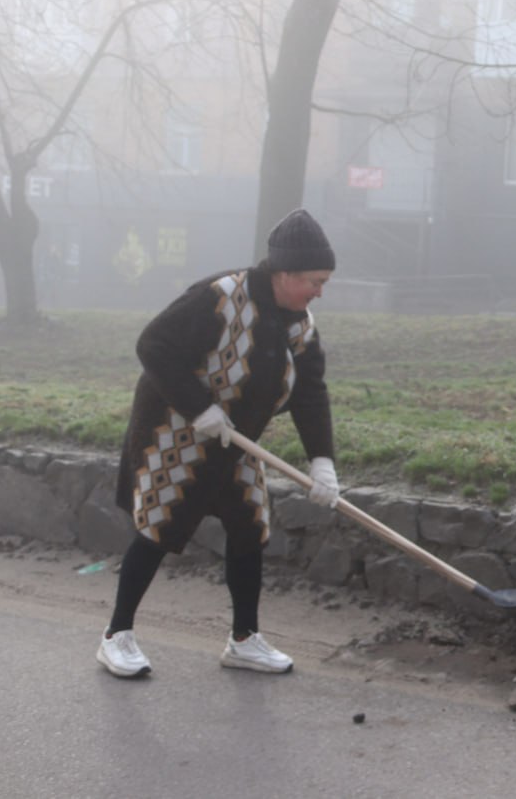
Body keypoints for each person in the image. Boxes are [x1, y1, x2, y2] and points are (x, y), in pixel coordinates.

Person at [96, 208, 342, 678]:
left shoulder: (300, 324)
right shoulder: (219, 297)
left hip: (237, 440)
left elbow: (311, 393)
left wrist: (322, 462)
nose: (319, 291)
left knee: (250, 528)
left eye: (324, 281)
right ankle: (116, 637)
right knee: (157, 529)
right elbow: (153, 345)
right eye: (314, 280)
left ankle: (244, 640)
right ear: (284, 272)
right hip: (175, 430)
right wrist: (199, 407)